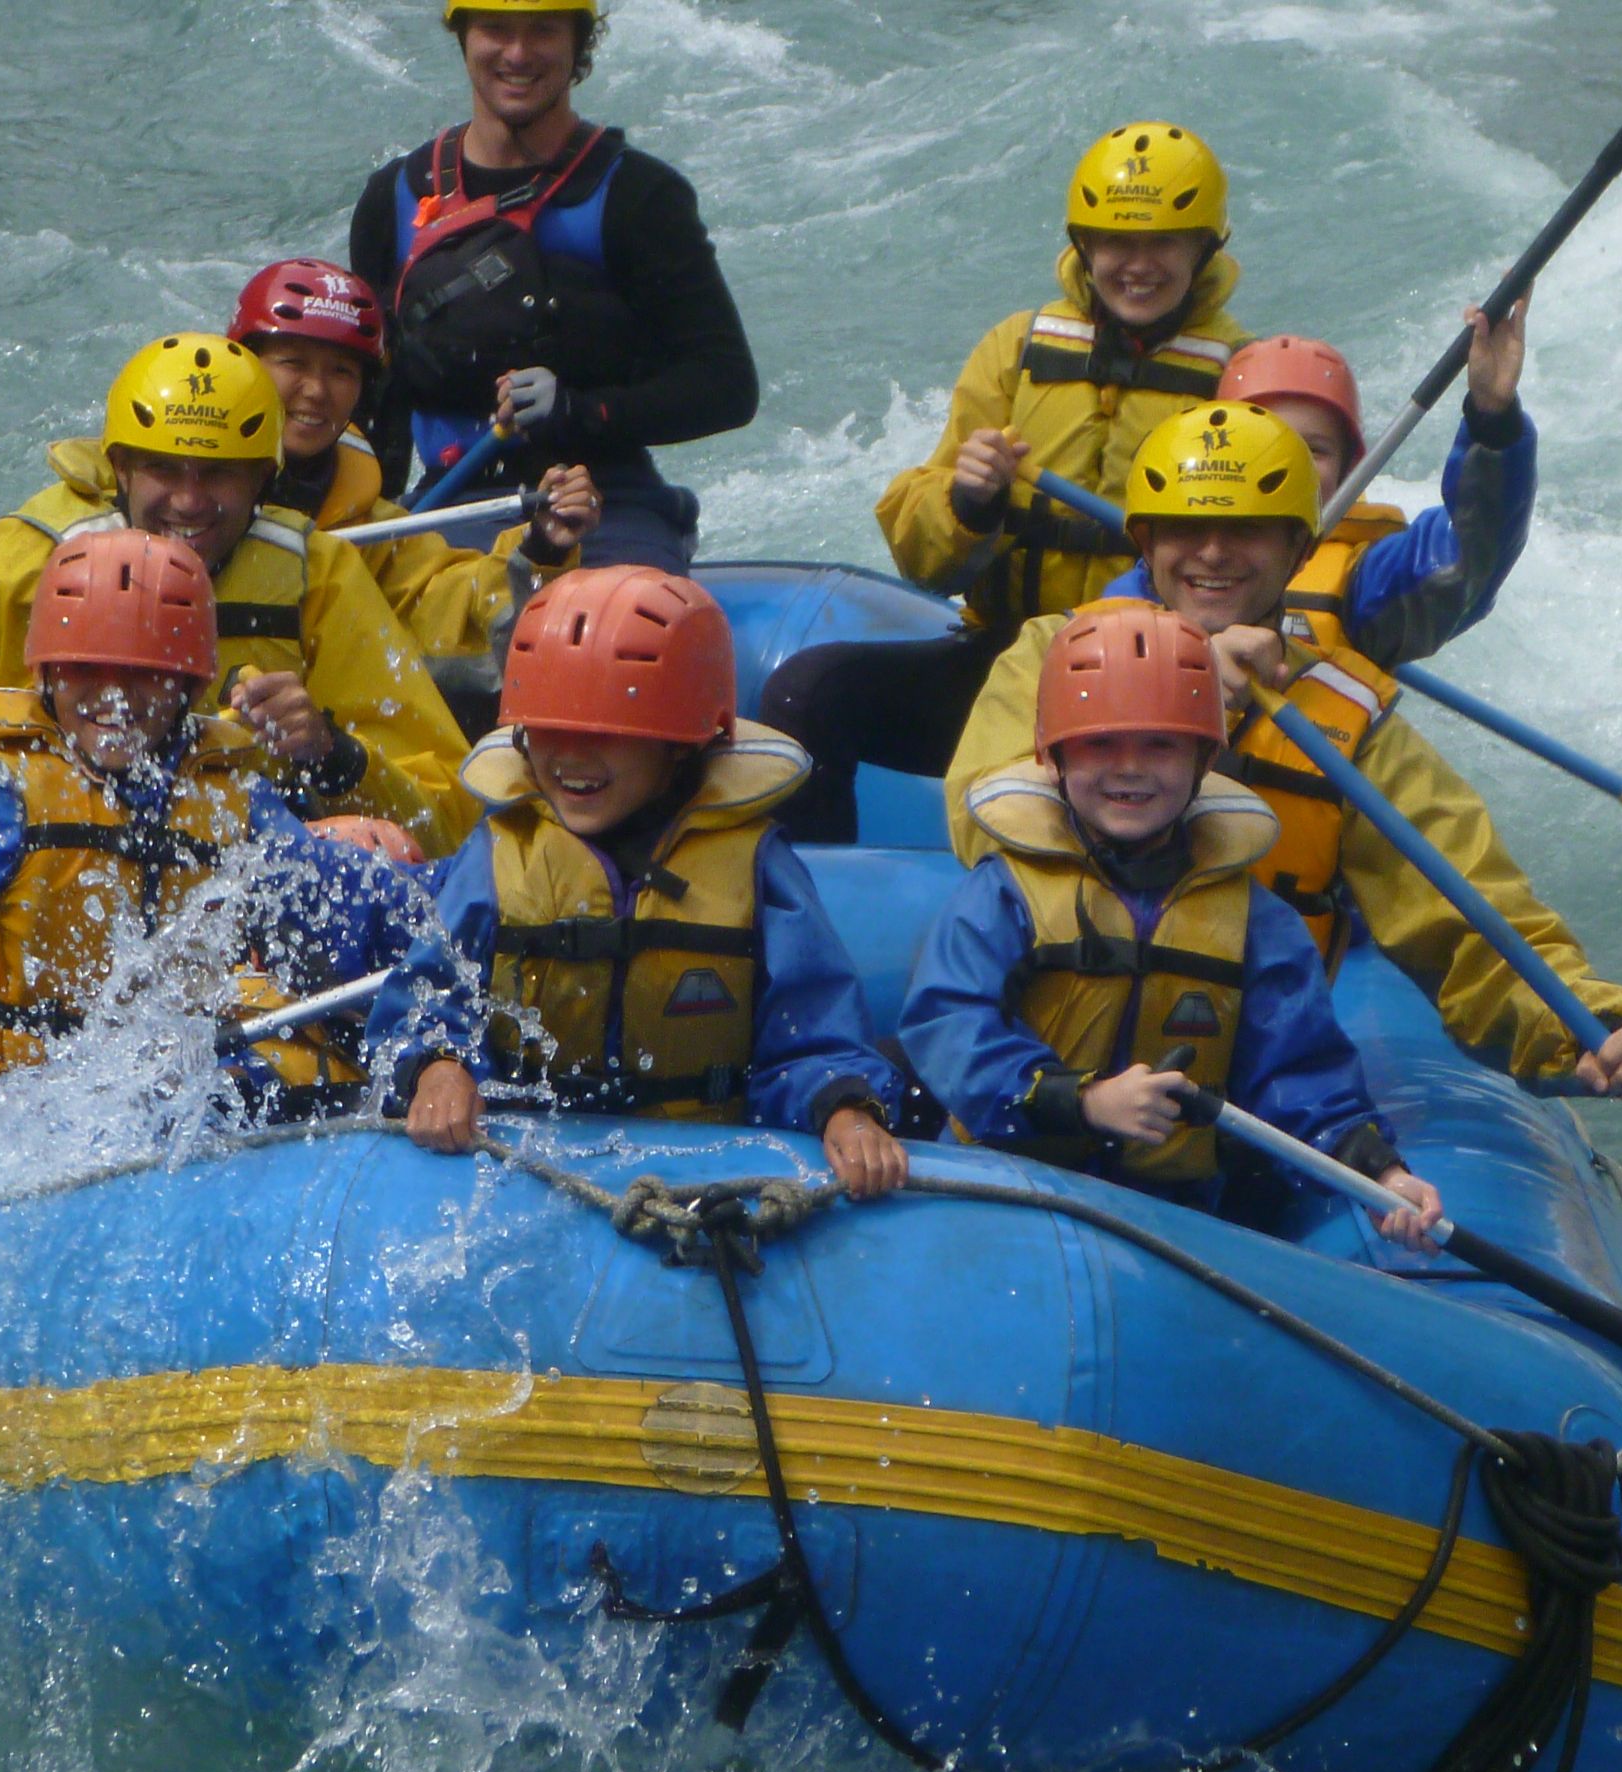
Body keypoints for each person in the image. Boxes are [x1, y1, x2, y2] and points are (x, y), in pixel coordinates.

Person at [940, 403, 1622, 1108]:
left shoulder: (1346, 725)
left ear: (1300, 547)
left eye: (1250, 531)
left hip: (1233, 1095)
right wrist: (1185, 684)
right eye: (1183, 528)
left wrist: (1589, 1027)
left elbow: (1471, 915)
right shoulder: (1048, 654)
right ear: (1146, 541)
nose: (1212, 553)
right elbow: (983, 819)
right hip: (1031, 1076)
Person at [0, 332, 482, 934]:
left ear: (264, 481)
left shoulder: (318, 580)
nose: (188, 503)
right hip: (38, 890)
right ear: (119, 468)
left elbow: (444, 808)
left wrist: (336, 754)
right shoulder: (15, 571)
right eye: (163, 471)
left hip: (233, 903)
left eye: (220, 476)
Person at [0, 531, 426, 1135]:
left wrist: (442, 1048)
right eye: (85, 668)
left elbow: (366, 919)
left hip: (156, 1107)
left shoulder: (233, 804)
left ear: (191, 684)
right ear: (43, 671)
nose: (112, 696)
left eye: (144, 674)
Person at [759, 121, 1247, 841]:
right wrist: (968, 502)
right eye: (1115, 241)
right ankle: (819, 910)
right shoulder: (1016, 350)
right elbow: (924, 559)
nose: (1136, 265)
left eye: (1163, 242)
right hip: (1016, 660)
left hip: (1162, 680)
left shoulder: (1242, 376)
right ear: (1083, 245)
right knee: (808, 692)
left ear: (1204, 247)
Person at [899, 604, 1442, 1238]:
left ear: (1204, 759)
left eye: (1160, 743)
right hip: (1004, 1185)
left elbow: (1298, 1073)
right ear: (1053, 758)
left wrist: (1377, 1173)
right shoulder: (1003, 893)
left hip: (1168, 1216)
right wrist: (1081, 1099)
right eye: (1101, 741)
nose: (1130, 767)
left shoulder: (1256, 923)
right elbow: (949, 1022)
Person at [370, 565, 909, 1198]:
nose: (570, 758)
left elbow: (811, 1033)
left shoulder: (757, 863)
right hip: (533, 1169)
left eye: (606, 733)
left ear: (683, 743)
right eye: (549, 730)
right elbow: (427, 1001)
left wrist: (843, 1108)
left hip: (706, 1171)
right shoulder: (497, 855)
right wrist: (438, 1067)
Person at [349, 0, 757, 573]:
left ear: (577, 44)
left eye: (543, 30)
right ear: (463, 36)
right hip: (447, 509)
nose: (517, 54)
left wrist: (578, 411)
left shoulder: (641, 197)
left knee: (599, 637)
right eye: (496, 29)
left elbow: (726, 386)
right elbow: (374, 400)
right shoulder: (392, 200)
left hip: (607, 505)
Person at [1102, 313, 1536, 667]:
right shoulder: (1154, 577)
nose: (1291, 470)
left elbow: (1469, 555)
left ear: (1352, 467)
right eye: (1267, 447)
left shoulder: (1366, 580)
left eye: (1313, 450)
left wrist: (1492, 420)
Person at [229, 257, 601, 658]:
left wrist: (542, 547)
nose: (317, 391)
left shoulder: (373, 528)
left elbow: (450, 603)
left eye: (341, 372)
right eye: (293, 363)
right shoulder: (181, 482)